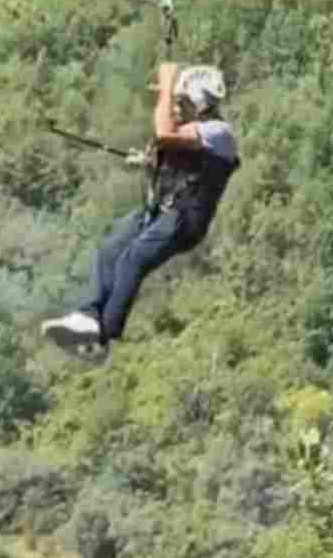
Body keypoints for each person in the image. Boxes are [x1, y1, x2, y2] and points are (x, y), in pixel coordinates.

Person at [42, 63, 240, 356]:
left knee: (132, 260)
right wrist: (152, 163)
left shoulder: (219, 133)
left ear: (198, 104)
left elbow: (163, 133)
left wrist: (168, 82)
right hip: (160, 210)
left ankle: (103, 337)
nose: (174, 107)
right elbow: (169, 153)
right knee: (110, 250)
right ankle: (89, 317)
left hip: (183, 219)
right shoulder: (190, 132)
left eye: (180, 102)